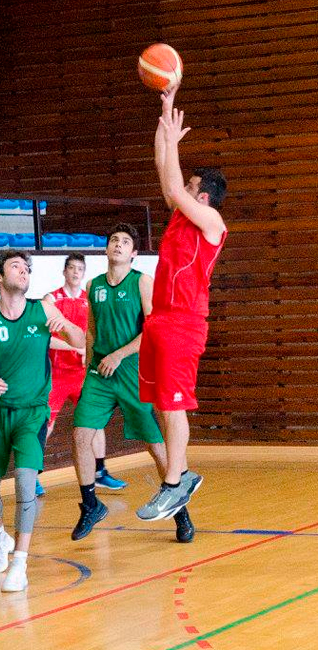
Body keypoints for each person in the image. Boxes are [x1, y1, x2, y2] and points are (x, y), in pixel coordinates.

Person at [0, 251, 85, 592]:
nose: (25, 270)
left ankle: (20, 561)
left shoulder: (43, 310)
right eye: (16, 266)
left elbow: (79, 343)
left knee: (24, 480)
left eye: (27, 267)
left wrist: (68, 327)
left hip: (33, 412)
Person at [136, 85, 228, 522]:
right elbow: (164, 172)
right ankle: (180, 474)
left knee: (173, 405)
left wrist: (174, 139)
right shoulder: (180, 213)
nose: (183, 190)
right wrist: (164, 115)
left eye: (193, 187)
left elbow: (174, 184)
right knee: (159, 404)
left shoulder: (211, 222)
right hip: (160, 320)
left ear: (203, 196)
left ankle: (175, 481)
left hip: (185, 323)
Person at [70, 224, 194, 542]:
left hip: (132, 372)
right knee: (81, 435)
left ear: (134, 253)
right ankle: (90, 505)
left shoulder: (142, 282)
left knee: (155, 445)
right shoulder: (93, 284)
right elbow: (92, 331)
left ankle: (180, 510)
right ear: (107, 249)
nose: (119, 245)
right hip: (100, 374)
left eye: (126, 242)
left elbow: (153, 330)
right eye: (114, 240)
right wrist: (90, 364)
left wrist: (118, 355)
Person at [41, 253, 126, 497]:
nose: (76, 272)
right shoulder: (51, 300)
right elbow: (46, 340)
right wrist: (75, 348)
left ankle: (100, 472)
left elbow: (95, 333)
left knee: (94, 420)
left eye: (81, 268)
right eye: (72, 268)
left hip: (82, 374)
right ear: (64, 271)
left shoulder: (90, 299)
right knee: (45, 424)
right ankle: (34, 474)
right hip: (57, 374)